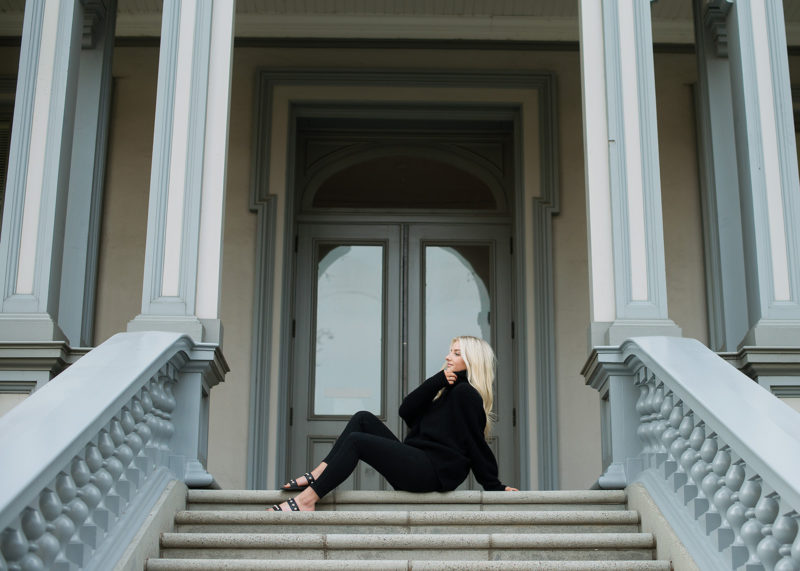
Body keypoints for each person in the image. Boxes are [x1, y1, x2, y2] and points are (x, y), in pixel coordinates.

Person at [271, 335, 518, 512]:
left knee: (358, 442)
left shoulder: (467, 395)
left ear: (472, 360)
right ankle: (319, 472)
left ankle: (307, 500)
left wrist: (494, 486)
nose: (447, 356)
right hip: (417, 460)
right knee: (363, 419)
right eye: (449, 351)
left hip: (431, 472)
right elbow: (406, 411)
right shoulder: (447, 389)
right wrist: (437, 381)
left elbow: (475, 443)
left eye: (456, 352)